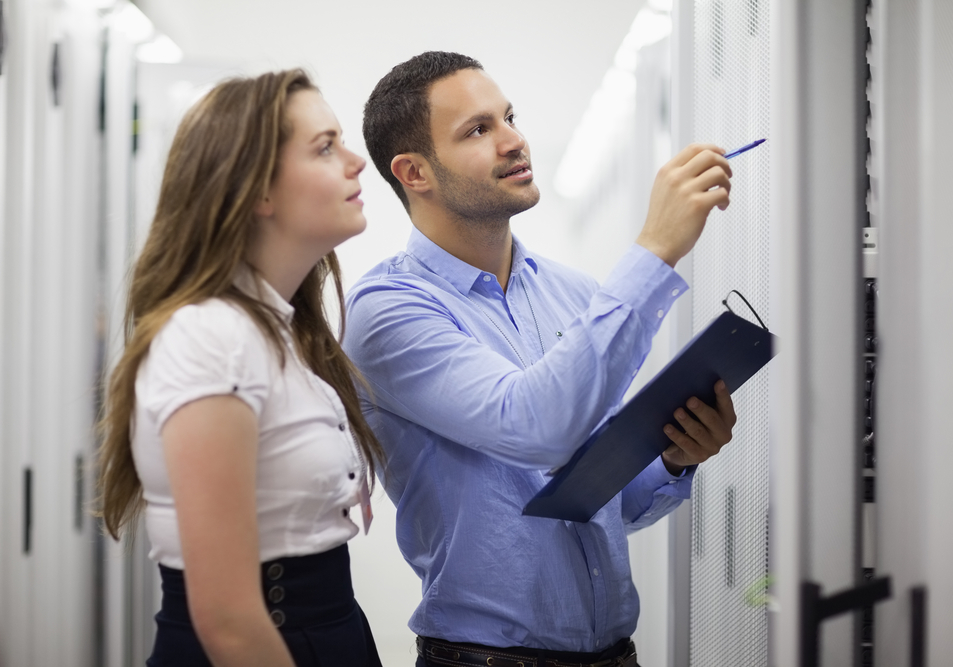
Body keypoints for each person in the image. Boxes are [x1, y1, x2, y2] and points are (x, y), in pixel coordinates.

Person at [344, 51, 737, 667]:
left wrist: (671, 458)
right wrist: (656, 248)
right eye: (478, 130)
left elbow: (602, 501)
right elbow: (537, 426)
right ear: (414, 172)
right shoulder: (386, 311)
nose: (514, 141)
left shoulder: (575, 294)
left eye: (509, 117)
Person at [96, 69, 383, 667]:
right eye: (325, 147)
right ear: (258, 190)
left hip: (324, 632)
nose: (356, 162)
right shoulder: (211, 336)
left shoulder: (281, 330)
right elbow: (228, 624)